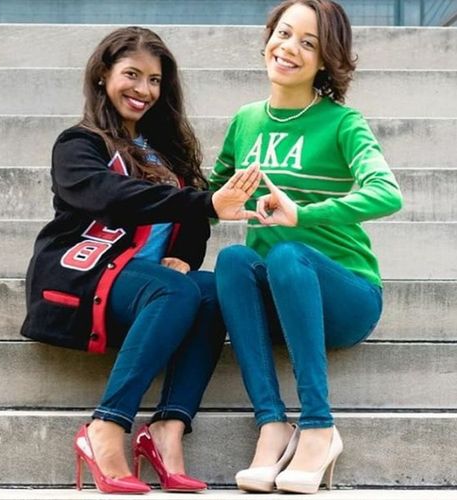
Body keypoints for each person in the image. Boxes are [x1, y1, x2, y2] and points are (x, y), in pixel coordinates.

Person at [20, 26, 260, 494]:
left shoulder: (167, 149)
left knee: (210, 288)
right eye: (132, 74)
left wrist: (185, 258)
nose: (144, 90)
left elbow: (191, 221)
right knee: (173, 290)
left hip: (147, 291)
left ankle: (168, 429)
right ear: (102, 76)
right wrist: (206, 204)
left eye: (154, 80)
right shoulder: (79, 144)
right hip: (84, 277)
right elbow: (112, 196)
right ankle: (106, 427)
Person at [210, 0, 403, 494]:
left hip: (345, 297)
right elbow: (211, 193)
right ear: (268, 36)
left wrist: (306, 213)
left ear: (325, 60)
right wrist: (217, 206)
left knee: (288, 252)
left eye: (308, 43)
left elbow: (387, 192)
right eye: (284, 32)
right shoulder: (245, 121)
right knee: (233, 259)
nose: (289, 47)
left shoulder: (342, 122)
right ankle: (272, 425)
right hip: (280, 301)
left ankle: (319, 427)